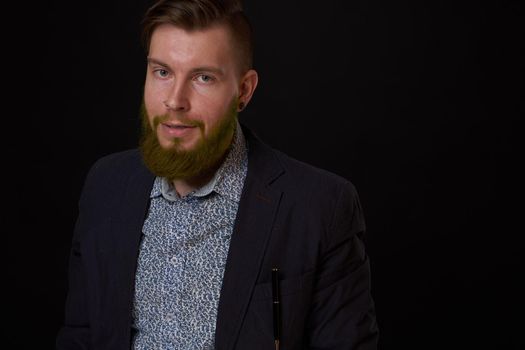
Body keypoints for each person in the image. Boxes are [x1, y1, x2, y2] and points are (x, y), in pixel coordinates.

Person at [55, 0, 379, 349]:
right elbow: (81, 337)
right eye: (162, 72)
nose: (175, 101)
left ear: (244, 91)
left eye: (203, 77)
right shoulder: (105, 186)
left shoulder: (320, 208)